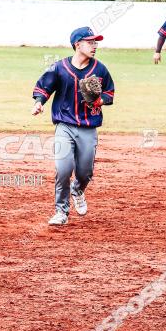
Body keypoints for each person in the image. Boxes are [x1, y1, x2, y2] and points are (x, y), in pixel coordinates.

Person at [31, 26, 115, 226]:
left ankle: (78, 190)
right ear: (78, 45)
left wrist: (99, 101)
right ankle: (61, 211)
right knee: (63, 168)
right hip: (64, 125)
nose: (94, 46)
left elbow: (109, 93)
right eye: (90, 42)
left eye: (95, 42)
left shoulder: (100, 69)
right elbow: (43, 87)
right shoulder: (59, 67)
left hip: (88, 126)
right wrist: (38, 103)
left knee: (85, 172)